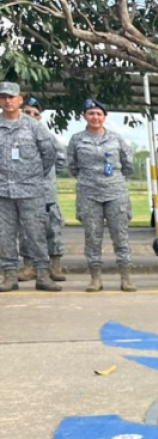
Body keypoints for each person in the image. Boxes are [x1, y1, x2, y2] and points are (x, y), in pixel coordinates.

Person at [67, 98, 136, 292]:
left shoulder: (116, 138)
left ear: (105, 116)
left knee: (120, 236)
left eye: (98, 113)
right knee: (92, 237)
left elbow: (128, 165)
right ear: (84, 116)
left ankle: (126, 278)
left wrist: (114, 179)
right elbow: (73, 166)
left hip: (116, 193)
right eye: (90, 114)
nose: (95, 117)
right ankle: (95, 278)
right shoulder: (77, 139)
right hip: (89, 194)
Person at [0, 81, 59, 293]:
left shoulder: (33, 126)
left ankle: (43, 274)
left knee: (36, 234)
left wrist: (34, 175)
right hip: (3, 192)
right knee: (4, 235)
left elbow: (49, 154)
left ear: (19, 100)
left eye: (11, 97)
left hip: (31, 190)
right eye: (3, 97)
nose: (7, 101)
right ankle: (8, 276)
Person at [18, 96, 67, 284]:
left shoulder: (48, 136)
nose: (31, 116)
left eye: (35, 114)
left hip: (46, 192)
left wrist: (49, 176)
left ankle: (55, 266)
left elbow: (60, 159)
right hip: (23, 192)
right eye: (27, 112)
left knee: (52, 229)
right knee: (25, 230)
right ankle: (29, 266)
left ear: (40, 117)